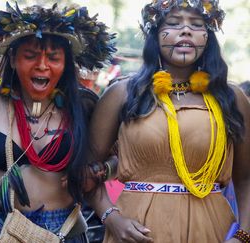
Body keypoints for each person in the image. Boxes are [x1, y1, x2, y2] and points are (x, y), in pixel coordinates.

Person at [0, 3, 116, 242]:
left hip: (64, 230)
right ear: (13, 59)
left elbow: (121, 158)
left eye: (54, 57)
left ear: (66, 63)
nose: (42, 65)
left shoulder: (84, 105)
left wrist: (99, 170)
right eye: (31, 55)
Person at [88, 0, 250, 242]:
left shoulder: (231, 97)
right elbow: (86, 170)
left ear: (208, 36)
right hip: (135, 232)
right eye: (173, 23)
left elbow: (246, 179)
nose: (185, 30)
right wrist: (111, 217)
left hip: (211, 230)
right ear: (154, 34)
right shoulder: (121, 94)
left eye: (196, 25)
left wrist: (243, 235)